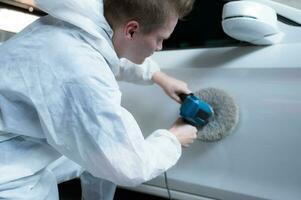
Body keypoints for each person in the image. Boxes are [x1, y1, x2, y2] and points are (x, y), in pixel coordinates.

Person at [0, 0, 197, 199]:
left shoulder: (72, 26)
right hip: (10, 176)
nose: (160, 47)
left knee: (98, 158)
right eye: (160, 39)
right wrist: (174, 139)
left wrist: (159, 77)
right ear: (131, 30)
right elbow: (128, 166)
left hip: (18, 141)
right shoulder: (82, 72)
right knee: (108, 155)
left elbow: (106, 53)